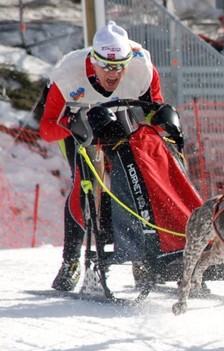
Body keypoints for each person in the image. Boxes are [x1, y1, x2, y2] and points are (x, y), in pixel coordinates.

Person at [39, 20, 165, 291]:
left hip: (120, 118)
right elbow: (46, 129)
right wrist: (74, 123)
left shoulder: (142, 67)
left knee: (137, 175)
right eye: (106, 66)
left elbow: (156, 110)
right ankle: (71, 260)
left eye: (120, 66)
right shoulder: (68, 72)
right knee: (86, 185)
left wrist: (164, 119)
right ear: (93, 61)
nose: (113, 73)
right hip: (79, 124)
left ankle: (142, 256)